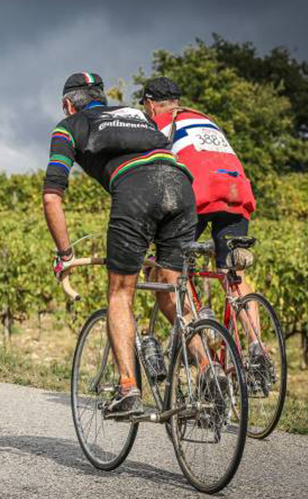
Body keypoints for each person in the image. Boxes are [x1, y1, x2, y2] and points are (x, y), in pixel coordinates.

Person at [43, 72, 209, 418]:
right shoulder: (136, 113)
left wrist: (65, 255)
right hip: (181, 186)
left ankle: (128, 389)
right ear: (102, 99)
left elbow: (51, 199)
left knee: (121, 292)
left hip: (136, 192)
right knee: (170, 288)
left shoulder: (68, 126)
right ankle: (211, 373)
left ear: (67, 104)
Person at [139, 76, 266, 366]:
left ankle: (206, 364)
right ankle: (258, 347)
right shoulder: (205, 120)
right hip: (237, 192)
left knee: (166, 278)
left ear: (149, 104)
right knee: (233, 274)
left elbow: (151, 181)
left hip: (197, 194)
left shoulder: (155, 125)